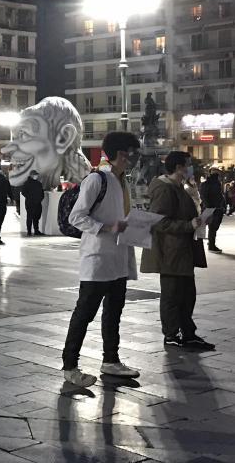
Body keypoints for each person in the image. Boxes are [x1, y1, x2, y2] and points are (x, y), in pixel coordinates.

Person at [61, 131, 141, 387]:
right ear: (120, 154)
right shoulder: (98, 179)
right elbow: (76, 217)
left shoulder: (122, 181)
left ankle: (111, 359)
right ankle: (70, 366)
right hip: (97, 258)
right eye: (131, 153)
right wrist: (107, 228)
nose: (133, 159)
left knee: (114, 312)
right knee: (85, 313)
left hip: (119, 257)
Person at [141, 151, 214, 351]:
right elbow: (159, 221)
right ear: (179, 167)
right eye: (188, 164)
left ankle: (188, 334)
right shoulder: (164, 189)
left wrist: (199, 221)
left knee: (187, 295)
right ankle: (172, 334)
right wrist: (189, 225)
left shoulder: (179, 187)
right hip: (170, 252)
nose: (191, 168)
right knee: (172, 295)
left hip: (182, 251)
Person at [199, 166, 225, 253]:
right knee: (212, 228)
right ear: (210, 172)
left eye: (217, 171)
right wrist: (209, 208)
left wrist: (222, 206)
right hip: (211, 209)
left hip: (218, 208)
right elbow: (204, 196)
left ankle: (211, 242)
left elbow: (219, 195)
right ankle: (211, 246)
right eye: (214, 171)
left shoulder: (218, 183)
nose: (216, 173)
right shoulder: (206, 184)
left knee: (214, 227)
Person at [20, 169, 45, 237]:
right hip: (30, 203)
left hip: (37, 203)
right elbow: (23, 192)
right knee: (30, 217)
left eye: (36, 175)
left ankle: (36, 230)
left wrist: (40, 199)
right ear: (31, 175)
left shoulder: (38, 183)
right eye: (35, 175)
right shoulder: (27, 183)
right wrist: (30, 198)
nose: (36, 176)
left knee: (36, 217)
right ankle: (29, 231)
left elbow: (42, 192)